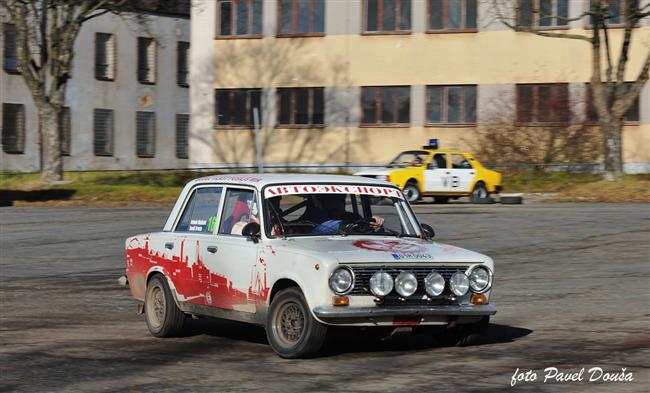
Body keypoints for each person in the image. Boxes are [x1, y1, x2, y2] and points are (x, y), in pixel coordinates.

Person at [299, 194, 384, 234]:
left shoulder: (352, 216)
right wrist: (364, 225)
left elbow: (363, 227)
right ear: (320, 202)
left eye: (341, 199)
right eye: (332, 199)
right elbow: (340, 227)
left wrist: (374, 223)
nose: (339, 203)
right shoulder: (315, 220)